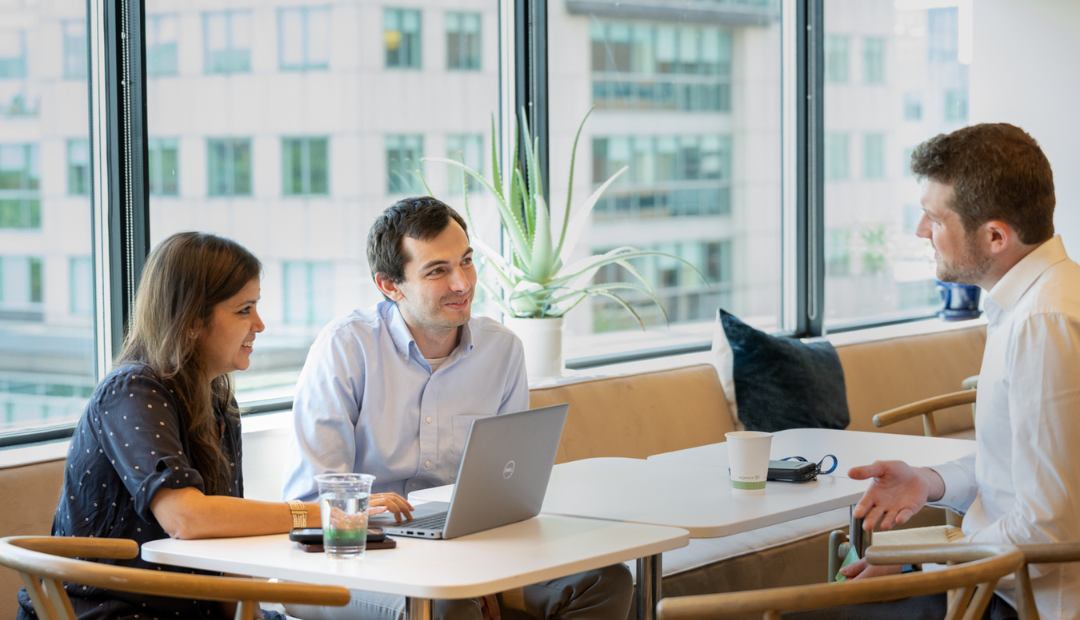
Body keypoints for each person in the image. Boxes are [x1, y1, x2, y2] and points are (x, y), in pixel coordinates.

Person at [16, 232, 403, 620]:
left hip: (189, 607)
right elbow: (186, 519)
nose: (260, 324)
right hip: (111, 611)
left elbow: (224, 545)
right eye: (244, 310)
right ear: (190, 322)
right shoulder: (131, 391)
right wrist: (317, 513)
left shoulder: (217, 399)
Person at [281, 197, 633, 620]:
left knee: (607, 579)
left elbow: (508, 490)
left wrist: (480, 570)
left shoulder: (502, 350)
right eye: (437, 271)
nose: (462, 283)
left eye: (465, 261)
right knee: (445, 604)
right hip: (356, 558)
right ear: (390, 286)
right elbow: (314, 504)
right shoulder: (345, 347)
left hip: (466, 548)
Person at [800, 123, 1080, 620]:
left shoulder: (1044, 322)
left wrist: (918, 562)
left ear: (995, 235)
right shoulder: (1033, 303)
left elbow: (1049, 529)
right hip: (990, 580)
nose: (921, 231)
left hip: (1016, 600)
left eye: (934, 217)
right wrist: (928, 482)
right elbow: (1025, 471)